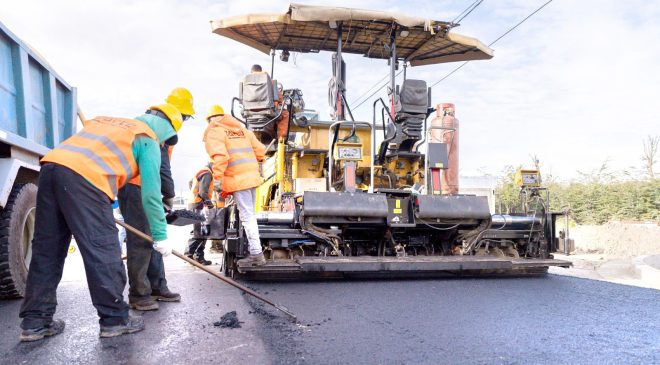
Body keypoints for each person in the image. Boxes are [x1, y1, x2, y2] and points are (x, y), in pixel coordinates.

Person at [18, 102, 179, 341]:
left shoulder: (106, 122)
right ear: (166, 131)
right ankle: (115, 319)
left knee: (46, 250)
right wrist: (160, 235)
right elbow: (151, 194)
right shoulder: (148, 139)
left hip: (52, 168)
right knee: (103, 249)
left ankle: (35, 321)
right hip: (86, 179)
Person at [118, 87, 193, 311]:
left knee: (154, 239)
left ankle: (157, 286)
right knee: (141, 239)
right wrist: (169, 195)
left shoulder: (158, 128)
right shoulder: (154, 130)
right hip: (135, 187)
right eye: (185, 117)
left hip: (147, 185)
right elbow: (163, 167)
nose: (184, 121)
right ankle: (139, 294)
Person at [203, 104, 266, 266]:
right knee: (250, 215)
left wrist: (217, 180)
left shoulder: (215, 131)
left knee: (247, 217)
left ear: (211, 119)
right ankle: (254, 250)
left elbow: (220, 157)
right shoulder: (243, 131)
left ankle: (256, 254)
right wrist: (257, 166)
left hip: (238, 180)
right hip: (252, 177)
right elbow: (260, 151)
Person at [249, 64, 289, 140]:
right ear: (260, 70)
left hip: (250, 112)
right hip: (266, 111)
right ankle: (281, 139)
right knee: (285, 114)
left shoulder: (245, 80)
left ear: (251, 71)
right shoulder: (269, 80)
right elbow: (278, 98)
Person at [185, 162, 214, 265]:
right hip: (198, 204)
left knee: (202, 231)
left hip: (195, 203)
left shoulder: (202, 170)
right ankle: (189, 255)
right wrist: (209, 204)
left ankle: (198, 256)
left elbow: (190, 183)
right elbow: (203, 192)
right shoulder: (207, 173)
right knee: (198, 232)